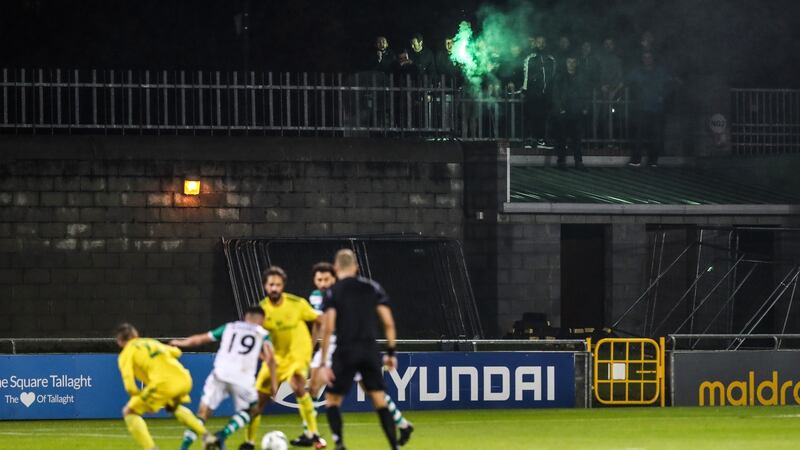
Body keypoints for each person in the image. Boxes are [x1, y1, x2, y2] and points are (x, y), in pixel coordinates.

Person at [307, 262, 414, 446]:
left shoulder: (337, 292)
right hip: (356, 347)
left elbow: (328, 325)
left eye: (326, 279)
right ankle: (311, 432)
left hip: (341, 346)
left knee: (330, 394)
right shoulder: (320, 296)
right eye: (319, 279)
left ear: (335, 273)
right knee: (374, 395)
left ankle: (320, 436)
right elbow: (320, 325)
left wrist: (323, 359)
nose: (323, 283)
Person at [319, 249, 399, 450]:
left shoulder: (333, 291)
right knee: (379, 400)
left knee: (332, 400)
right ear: (356, 267)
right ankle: (395, 446)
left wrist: (322, 363)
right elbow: (388, 323)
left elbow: (328, 328)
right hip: (370, 350)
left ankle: (339, 443)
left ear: (336, 269)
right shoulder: (373, 287)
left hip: (345, 350)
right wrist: (390, 352)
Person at [241, 266, 326, 450]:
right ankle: (249, 442)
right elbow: (256, 338)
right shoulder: (262, 310)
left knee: (297, 383)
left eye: (278, 285)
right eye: (271, 284)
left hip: (297, 354)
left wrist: (311, 346)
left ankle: (313, 434)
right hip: (276, 357)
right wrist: (264, 356)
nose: (274, 288)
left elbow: (319, 320)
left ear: (283, 286)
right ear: (265, 286)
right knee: (258, 401)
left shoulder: (297, 304)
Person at [170, 306, 276, 450]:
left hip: (220, 374)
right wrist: (274, 385)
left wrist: (181, 343)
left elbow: (201, 339)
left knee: (202, 414)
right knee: (254, 409)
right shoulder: (262, 333)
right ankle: (222, 435)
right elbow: (271, 359)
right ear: (262, 320)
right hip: (242, 378)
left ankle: (183, 448)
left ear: (245, 317)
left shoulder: (229, 327)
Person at [115, 323, 208, 450]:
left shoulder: (126, 354)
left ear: (120, 341)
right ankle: (207, 437)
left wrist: (139, 396)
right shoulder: (151, 342)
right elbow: (177, 352)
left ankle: (151, 448)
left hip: (163, 384)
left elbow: (129, 385)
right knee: (173, 407)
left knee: (129, 411)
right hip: (184, 378)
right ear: (135, 334)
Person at [626, 51, 672, 167]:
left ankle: (653, 161)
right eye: (644, 57)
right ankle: (636, 160)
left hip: (657, 109)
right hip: (642, 108)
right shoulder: (637, 71)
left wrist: (663, 96)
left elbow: (670, 84)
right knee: (639, 135)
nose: (647, 59)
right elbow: (627, 81)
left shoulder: (661, 71)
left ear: (653, 58)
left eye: (649, 57)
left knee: (656, 136)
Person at [553, 56, 590, 170]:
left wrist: (585, 107)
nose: (571, 64)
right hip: (564, 111)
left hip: (576, 110)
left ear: (576, 63)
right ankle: (561, 162)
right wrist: (560, 108)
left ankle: (578, 162)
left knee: (577, 139)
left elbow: (585, 93)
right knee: (562, 138)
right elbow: (556, 94)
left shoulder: (581, 77)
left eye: (573, 62)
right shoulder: (560, 77)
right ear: (566, 63)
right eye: (569, 61)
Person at [521, 35, 557, 149]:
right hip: (533, 94)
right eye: (539, 42)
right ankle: (531, 140)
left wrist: (553, 92)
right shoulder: (530, 58)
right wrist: (525, 91)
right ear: (535, 44)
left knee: (545, 117)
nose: (541, 44)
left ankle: (542, 140)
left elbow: (553, 77)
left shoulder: (551, 59)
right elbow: (526, 77)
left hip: (547, 94)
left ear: (545, 44)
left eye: (543, 42)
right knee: (532, 117)